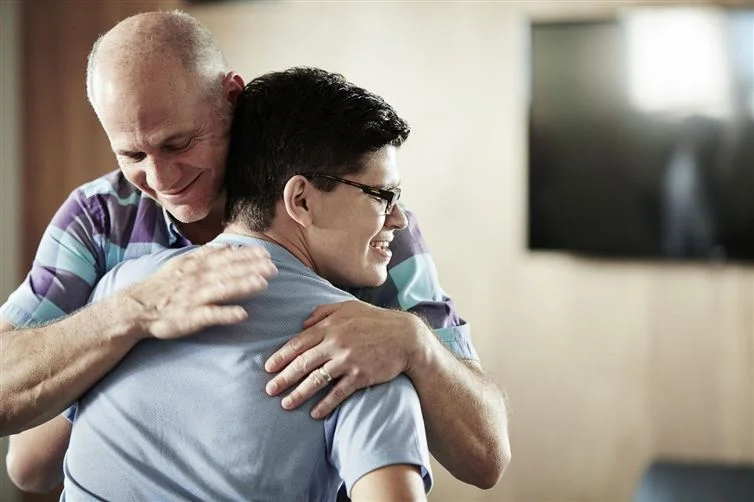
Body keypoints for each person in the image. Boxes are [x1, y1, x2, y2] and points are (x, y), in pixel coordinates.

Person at [3, 10, 510, 492]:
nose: (160, 178)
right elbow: (27, 460)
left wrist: (415, 344)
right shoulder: (100, 219)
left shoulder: (368, 228)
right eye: (132, 154)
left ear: (231, 97)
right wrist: (131, 314)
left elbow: (486, 457)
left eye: (179, 144)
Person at [54, 66, 431, 501]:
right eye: (382, 196)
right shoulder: (359, 359)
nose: (399, 220)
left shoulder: (117, 290)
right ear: (301, 200)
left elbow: (28, 467)